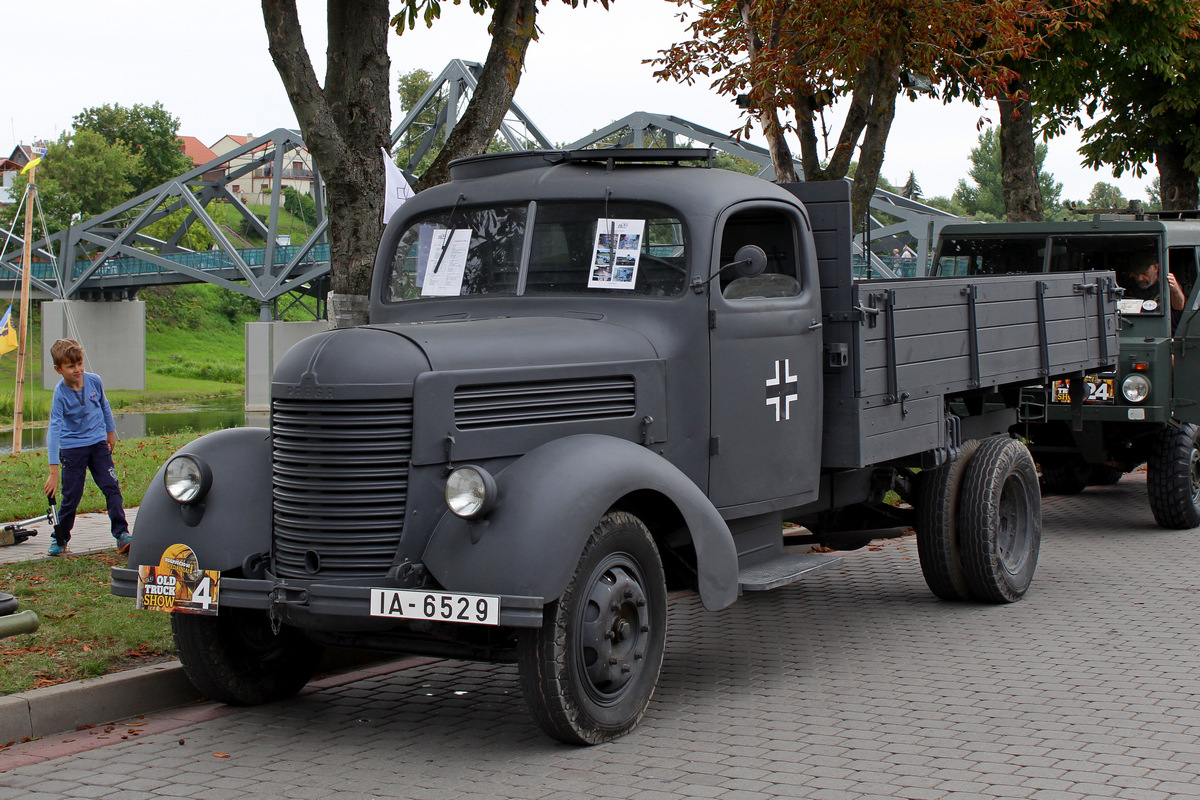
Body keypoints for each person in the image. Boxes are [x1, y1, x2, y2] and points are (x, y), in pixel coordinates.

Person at [42, 338, 131, 557]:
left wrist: (110, 432)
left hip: (98, 444)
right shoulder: (60, 394)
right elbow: (54, 430)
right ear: (58, 369)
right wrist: (53, 471)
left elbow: (104, 404)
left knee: (111, 488)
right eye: (71, 366)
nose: (78, 369)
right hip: (72, 449)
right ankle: (60, 538)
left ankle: (122, 535)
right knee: (71, 496)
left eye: (80, 364)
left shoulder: (94, 381)